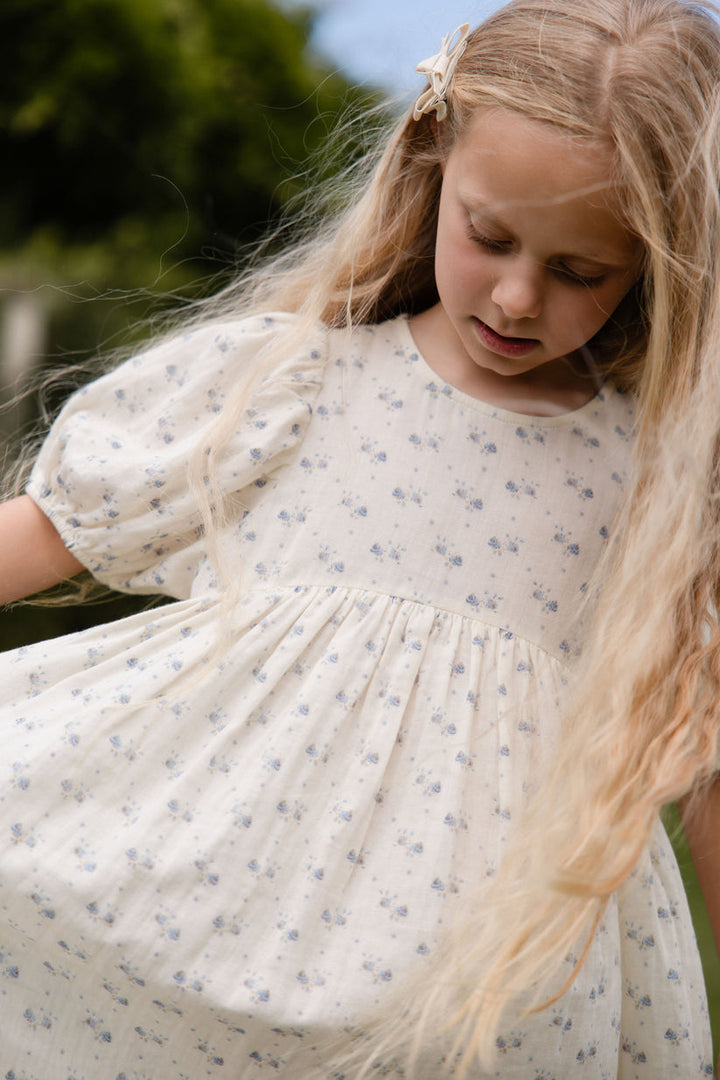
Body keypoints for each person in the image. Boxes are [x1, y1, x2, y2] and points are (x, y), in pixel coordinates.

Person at [1, 0, 719, 1075]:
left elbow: (701, 759)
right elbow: (46, 533)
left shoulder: (658, 499)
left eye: (582, 271)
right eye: (490, 236)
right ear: (432, 164)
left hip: (469, 992)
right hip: (193, 905)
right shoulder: (287, 385)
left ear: (655, 267)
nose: (520, 297)